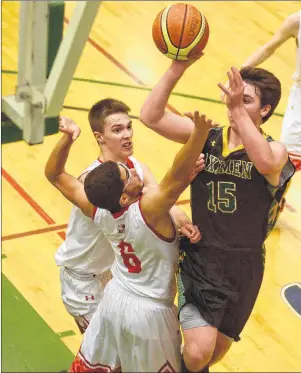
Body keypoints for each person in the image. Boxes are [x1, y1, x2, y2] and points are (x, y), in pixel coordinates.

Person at [140, 60, 295, 372]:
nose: (233, 103)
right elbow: (150, 116)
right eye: (233, 96)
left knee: (211, 355)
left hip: (246, 265)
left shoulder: (276, 151)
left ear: (265, 110)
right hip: (203, 257)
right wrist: (177, 66)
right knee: (198, 352)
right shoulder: (207, 137)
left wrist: (237, 109)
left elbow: (264, 163)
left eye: (246, 99)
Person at [45, 110, 212, 372]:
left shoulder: (98, 210)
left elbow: (55, 175)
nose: (134, 175)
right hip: (147, 311)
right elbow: (176, 177)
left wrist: (67, 139)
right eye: (128, 176)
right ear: (123, 198)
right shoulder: (148, 211)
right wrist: (199, 135)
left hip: (115, 295)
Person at [242, 10, 301, 171]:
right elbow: (268, 48)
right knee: (286, 165)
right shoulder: (296, 21)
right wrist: (239, 75)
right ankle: (275, 197)